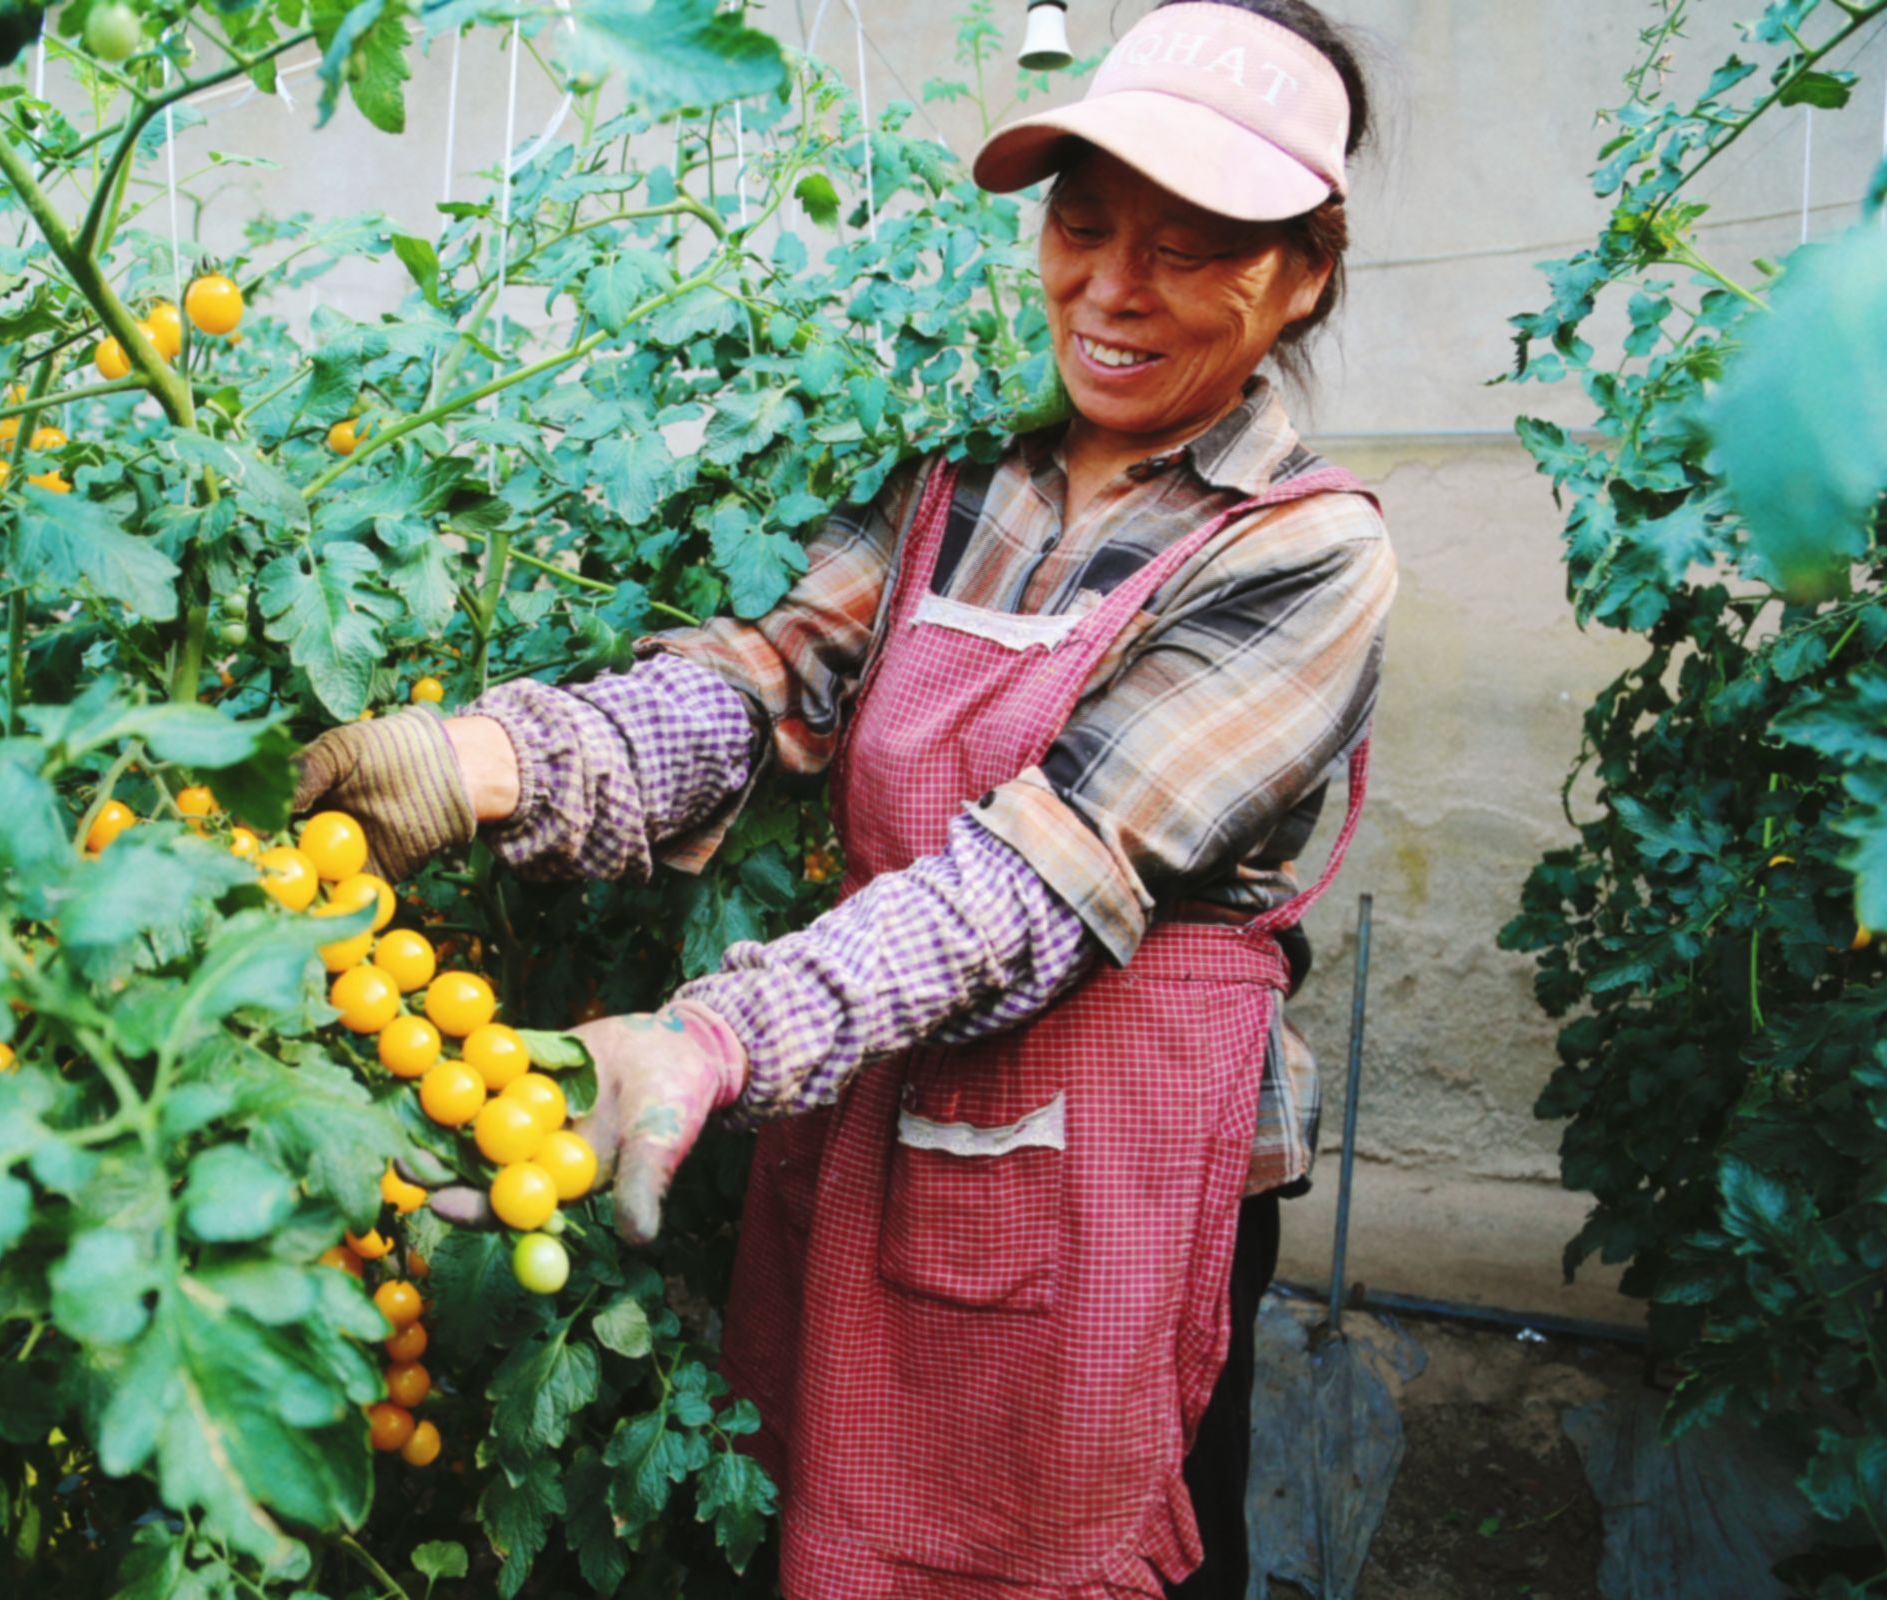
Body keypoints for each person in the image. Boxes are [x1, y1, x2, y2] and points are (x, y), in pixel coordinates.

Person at [291, 2, 1392, 1593]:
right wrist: (499, 762)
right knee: (852, 1521)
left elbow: (1032, 884)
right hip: (890, 1116)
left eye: (1194, 245)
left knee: (1067, 1550)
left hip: (1115, 1193)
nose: (1112, 288)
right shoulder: (963, 491)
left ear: (1301, 274)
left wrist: (714, 1035)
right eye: (1082, 224)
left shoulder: (1302, 554)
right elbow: (758, 681)